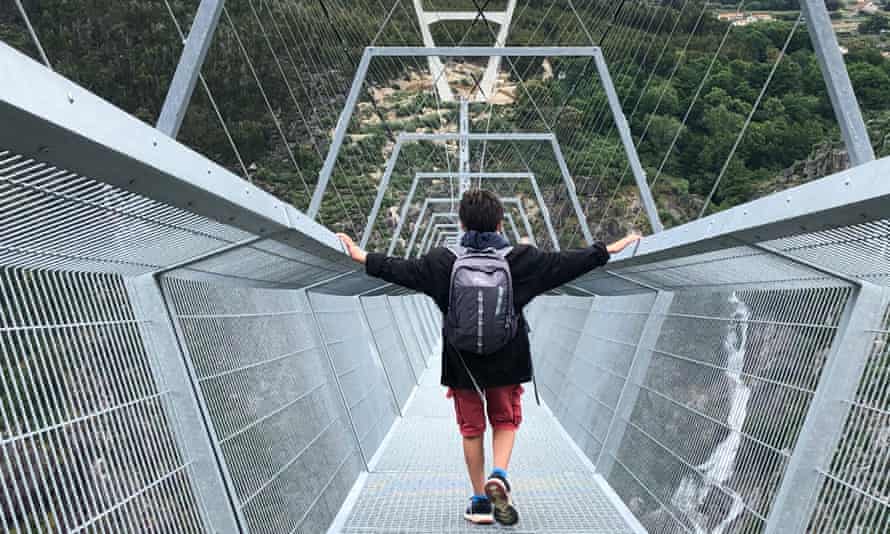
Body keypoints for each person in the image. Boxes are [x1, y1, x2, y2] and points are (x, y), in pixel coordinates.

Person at [336, 189, 641, 526]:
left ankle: (481, 501)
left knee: (471, 429)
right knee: (505, 420)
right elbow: (565, 264)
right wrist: (604, 251)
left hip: (461, 359)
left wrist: (362, 255)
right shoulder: (522, 259)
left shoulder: (442, 261)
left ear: (461, 223)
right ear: (500, 224)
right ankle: (499, 473)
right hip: (507, 356)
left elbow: (402, 270)